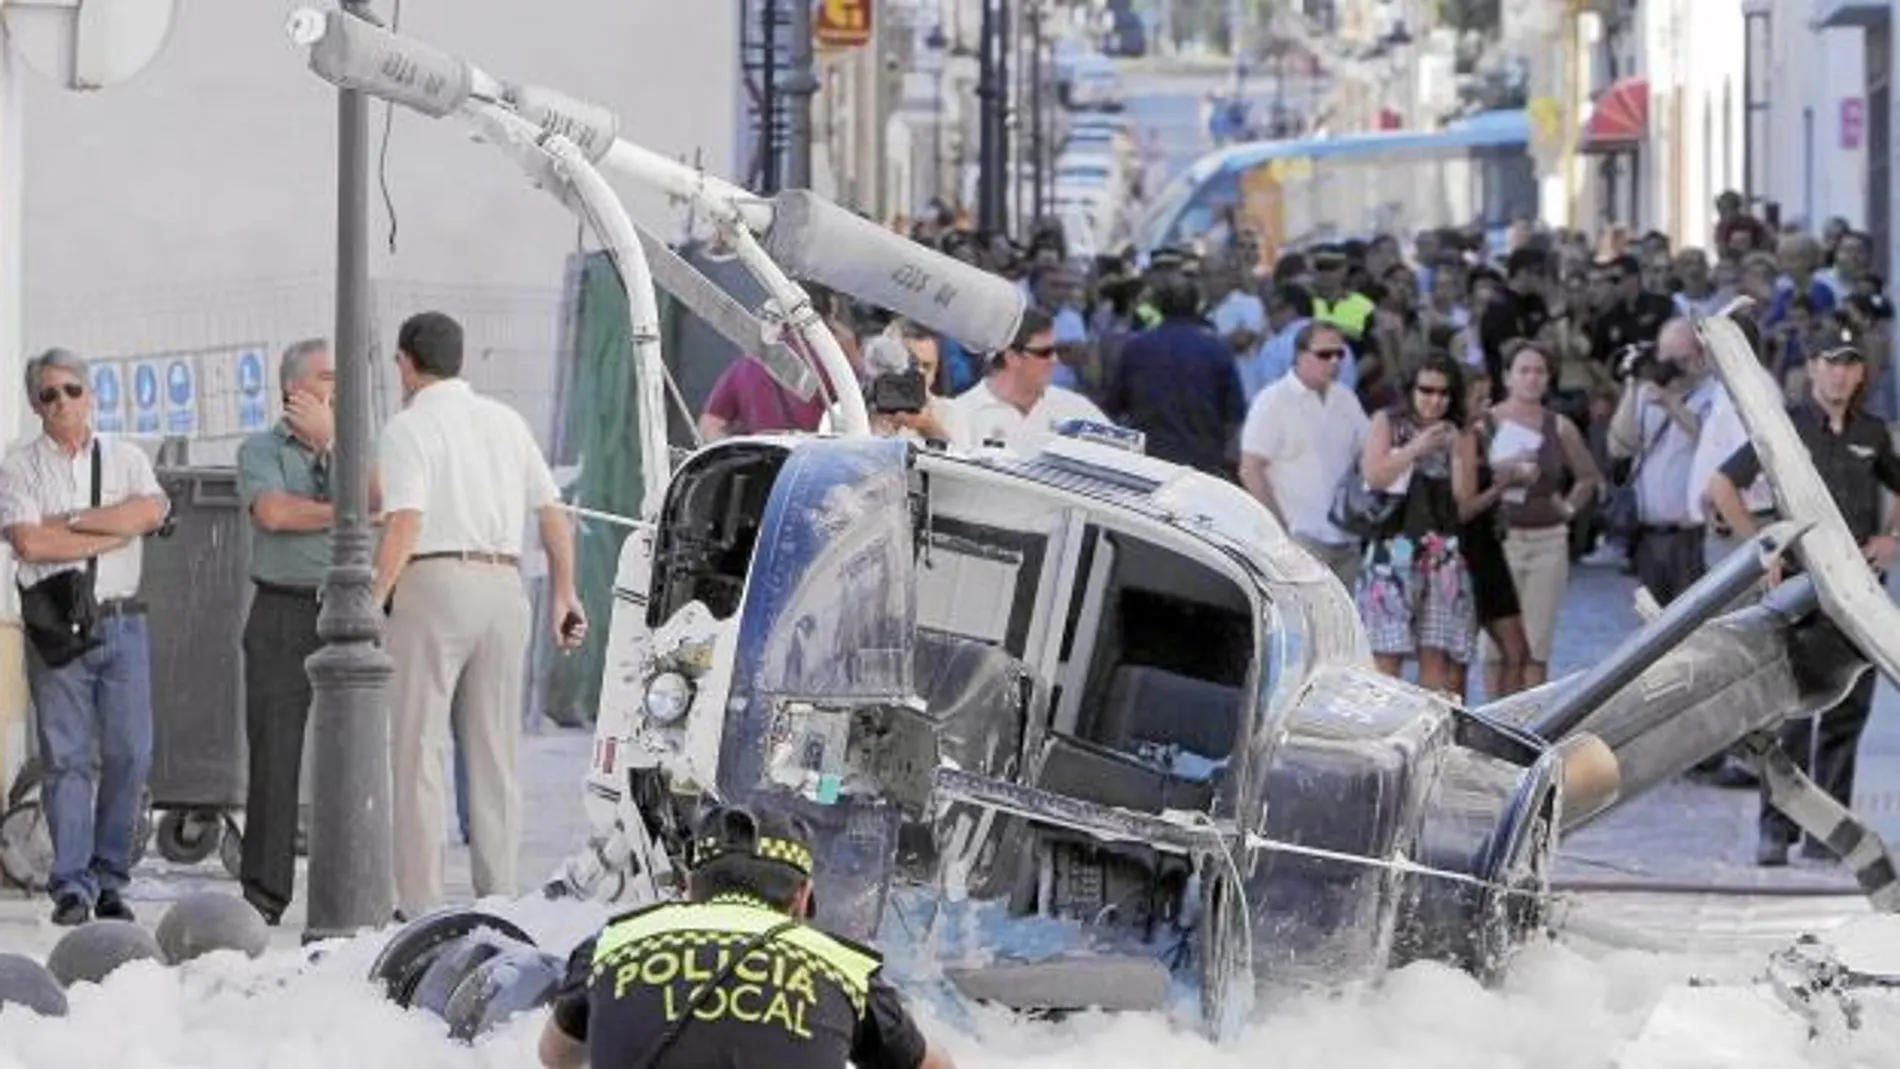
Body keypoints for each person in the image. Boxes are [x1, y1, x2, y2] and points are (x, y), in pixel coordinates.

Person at [373, 311, 587, 917]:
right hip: (503, 584)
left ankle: (420, 904)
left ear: (405, 362)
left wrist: (371, 599)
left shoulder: (409, 428)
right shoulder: (506, 423)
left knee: (417, 750)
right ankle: (499, 898)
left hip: (435, 581)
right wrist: (566, 593)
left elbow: (405, 520)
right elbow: (551, 514)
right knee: (495, 752)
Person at [537, 806, 954, 1069]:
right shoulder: (845, 968)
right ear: (802, 897)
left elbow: (555, 1057)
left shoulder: (613, 944)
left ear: (689, 888)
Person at [1707, 335, 1900, 867]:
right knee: (1790, 709)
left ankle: (1827, 835)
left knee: (1848, 711)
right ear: (1813, 368)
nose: (1840, 375)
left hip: (1857, 591)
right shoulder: (1787, 427)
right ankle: (1776, 830)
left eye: (1850, 365)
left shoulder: (1873, 432)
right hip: (1799, 587)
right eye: (1831, 364)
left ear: (1861, 374)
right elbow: (1722, 485)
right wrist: (1761, 548)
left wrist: (1891, 539)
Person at [0, 348, 170, 925]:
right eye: (49, 394)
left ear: (89, 394)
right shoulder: (20, 466)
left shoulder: (124, 456)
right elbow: (29, 544)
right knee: (65, 757)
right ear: (34, 403)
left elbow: (149, 512)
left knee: (130, 752)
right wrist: (105, 529)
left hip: (122, 620)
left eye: (71, 390)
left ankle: (110, 876)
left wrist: (66, 521)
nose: (62, 402)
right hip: (56, 627)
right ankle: (71, 884)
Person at [234, 338, 340, 924]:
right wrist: (348, 511)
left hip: (350, 612)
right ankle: (264, 895)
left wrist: (333, 447)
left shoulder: (359, 446)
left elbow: (380, 497)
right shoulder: (259, 450)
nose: (338, 388)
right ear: (294, 390)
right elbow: (273, 514)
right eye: (327, 377)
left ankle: (350, 883)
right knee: (275, 753)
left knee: (357, 752)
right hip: (282, 611)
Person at [948, 307, 1109, 453]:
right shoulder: (964, 412)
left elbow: (1120, 454)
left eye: (1056, 350)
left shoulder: (1076, 408)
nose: (1055, 360)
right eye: (1045, 352)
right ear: (1012, 357)